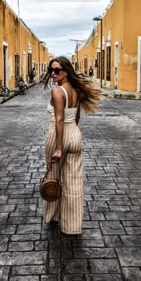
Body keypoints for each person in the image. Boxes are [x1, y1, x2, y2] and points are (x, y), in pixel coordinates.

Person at [42, 56, 102, 234]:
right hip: (75, 134)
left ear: (66, 71)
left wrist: (59, 148)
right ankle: (72, 225)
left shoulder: (57, 91)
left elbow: (59, 119)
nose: (53, 74)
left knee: (53, 177)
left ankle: (52, 215)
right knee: (74, 181)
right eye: (50, 70)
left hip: (58, 135)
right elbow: (76, 117)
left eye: (57, 70)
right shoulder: (77, 90)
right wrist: (73, 133)